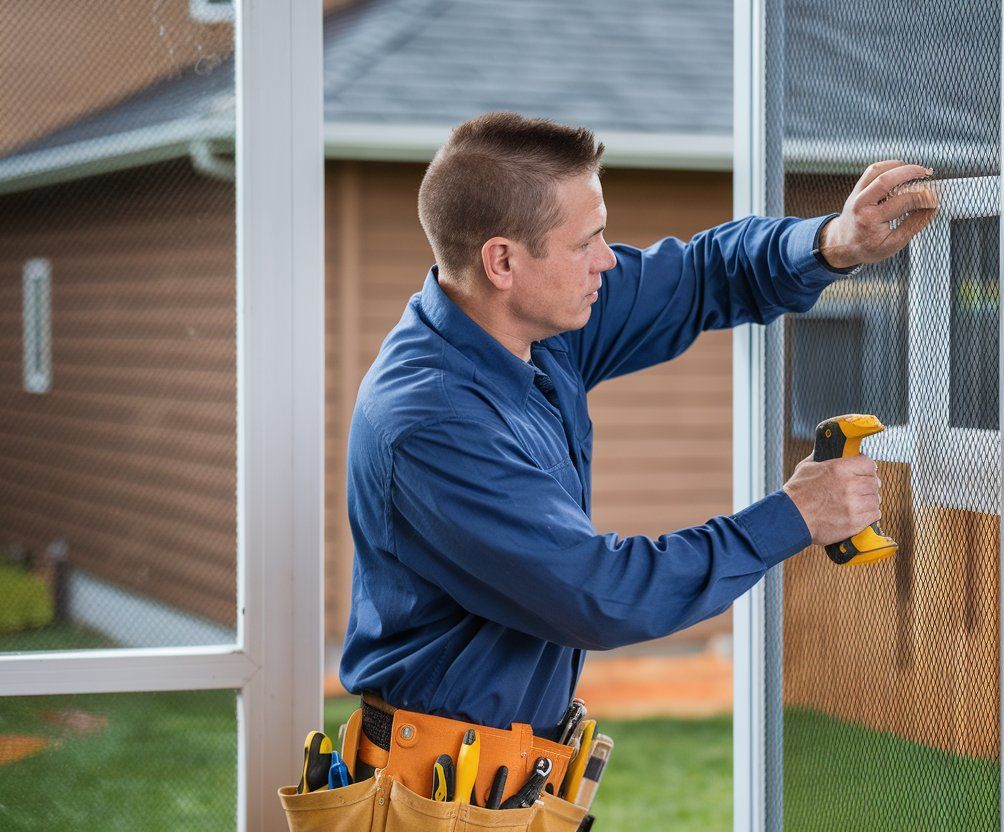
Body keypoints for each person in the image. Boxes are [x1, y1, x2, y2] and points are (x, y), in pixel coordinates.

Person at [339, 112, 938, 741]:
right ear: (502, 262)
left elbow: (703, 273)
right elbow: (598, 595)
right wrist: (795, 515)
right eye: (586, 243)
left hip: (506, 774)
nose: (606, 260)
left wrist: (833, 241)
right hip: (433, 787)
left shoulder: (531, 328)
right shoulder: (435, 421)